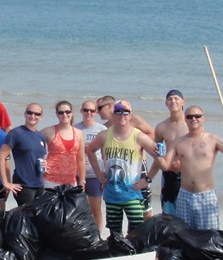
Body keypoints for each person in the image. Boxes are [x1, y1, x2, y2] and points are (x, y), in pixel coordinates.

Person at [158, 106, 223, 230]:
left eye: (197, 116)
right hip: (184, 195)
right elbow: (165, 165)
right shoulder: (178, 142)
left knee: (208, 237)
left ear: (203, 119)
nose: (194, 119)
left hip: (206, 196)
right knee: (185, 236)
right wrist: (157, 154)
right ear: (185, 119)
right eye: (190, 116)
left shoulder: (213, 139)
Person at [87, 101, 160, 235]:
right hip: (112, 193)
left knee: (137, 231)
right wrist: (98, 173)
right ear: (113, 115)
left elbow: (159, 157)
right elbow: (90, 150)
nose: (122, 115)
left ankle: (135, 254)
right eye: (118, 112)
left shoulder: (139, 136)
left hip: (132, 193)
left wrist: (148, 179)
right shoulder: (104, 135)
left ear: (130, 115)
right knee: (115, 233)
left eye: (125, 112)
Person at [147, 89, 189, 215]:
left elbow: (199, 149)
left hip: (188, 175)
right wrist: (149, 178)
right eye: (170, 99)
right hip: (169, 174)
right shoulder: (161, 127)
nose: (173, 101)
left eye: (176, 98)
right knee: (169, 213)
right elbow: (157, 155)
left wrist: (183, 162)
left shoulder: (191, 124)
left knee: (187, 214)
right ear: (166, 103)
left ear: (183, 102)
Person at [0, 103, 47, 207]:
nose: (33, 116)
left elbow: (40, 156)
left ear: (41, 117)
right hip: (23, 186)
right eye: (30, 113)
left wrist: (45, 164)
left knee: (38, 220)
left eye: (37, 114)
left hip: (39, 185)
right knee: (26, 219)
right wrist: (5, 183)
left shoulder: (40, 136)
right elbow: (1, 157)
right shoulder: (16, 133)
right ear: (25, 114)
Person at [75, 99, 107, 227]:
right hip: (77, 175)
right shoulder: (75, 128)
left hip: (95, 175)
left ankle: (97, 239)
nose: (88, 113)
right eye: (86, 110)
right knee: (77, 210)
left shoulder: (102, 129)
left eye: (92, 110)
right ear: (81, 111)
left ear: (96, 112)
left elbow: (106, 154)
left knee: (96, 211)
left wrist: (105, 173)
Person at [40, 101, 86, 189]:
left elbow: (81, 159)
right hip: (50, 180)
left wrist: (82, 181)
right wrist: (41, 162)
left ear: (72, 112)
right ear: (57, 114)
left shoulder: (79, 133)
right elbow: (32, 146)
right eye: (61, 112)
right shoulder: (48, 131)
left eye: (67, 112)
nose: (64, 115)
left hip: (71, 181)